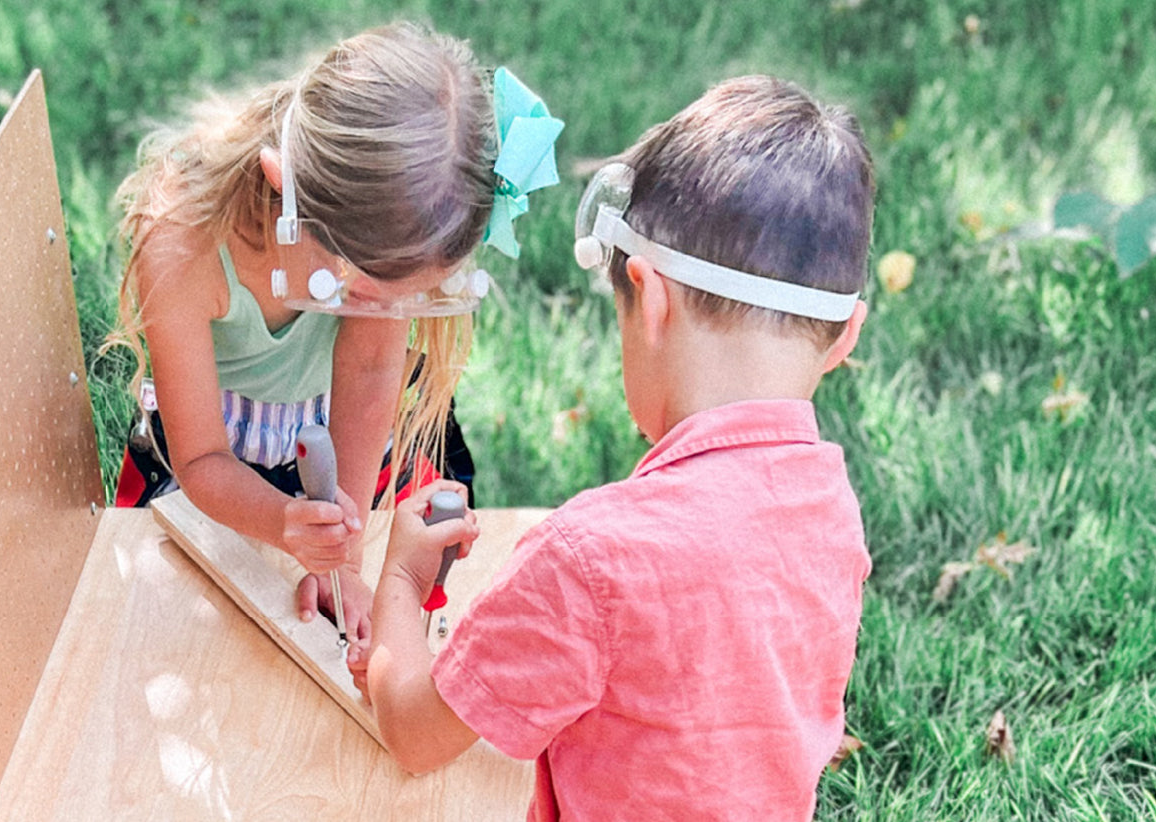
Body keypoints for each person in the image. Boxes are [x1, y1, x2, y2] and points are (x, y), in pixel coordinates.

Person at [360, 75, 875, 821]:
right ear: (844, 338)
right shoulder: (829, 510)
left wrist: (403, 585)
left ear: (650, 297)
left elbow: (412, 733)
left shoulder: (589, 559)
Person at [105, 22, 563, 659]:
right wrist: (287, 526)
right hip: (214, 449)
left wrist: (342, 551)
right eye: (366, 292)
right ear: (285, 188)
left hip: (348, 435)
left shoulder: (386, 234)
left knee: (423, 569)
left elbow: (375, 366)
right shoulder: (184, 244)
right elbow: (201, 459)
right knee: (187, 628)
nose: (386, 311)